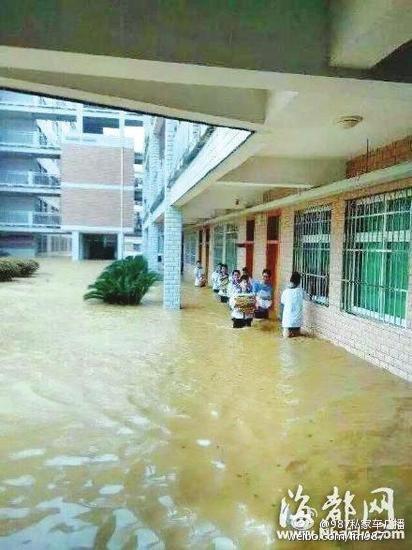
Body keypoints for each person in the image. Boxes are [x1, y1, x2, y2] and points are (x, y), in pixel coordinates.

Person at [281, 271, 305, 337]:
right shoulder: (301, 291)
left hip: (287, 322)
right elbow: (308, 297)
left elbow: (282, 304)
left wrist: (281, 320)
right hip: (297, 322)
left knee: (286, 342)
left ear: (291, 280)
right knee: (297, 340)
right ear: (299, 282)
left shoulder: (285, 292)